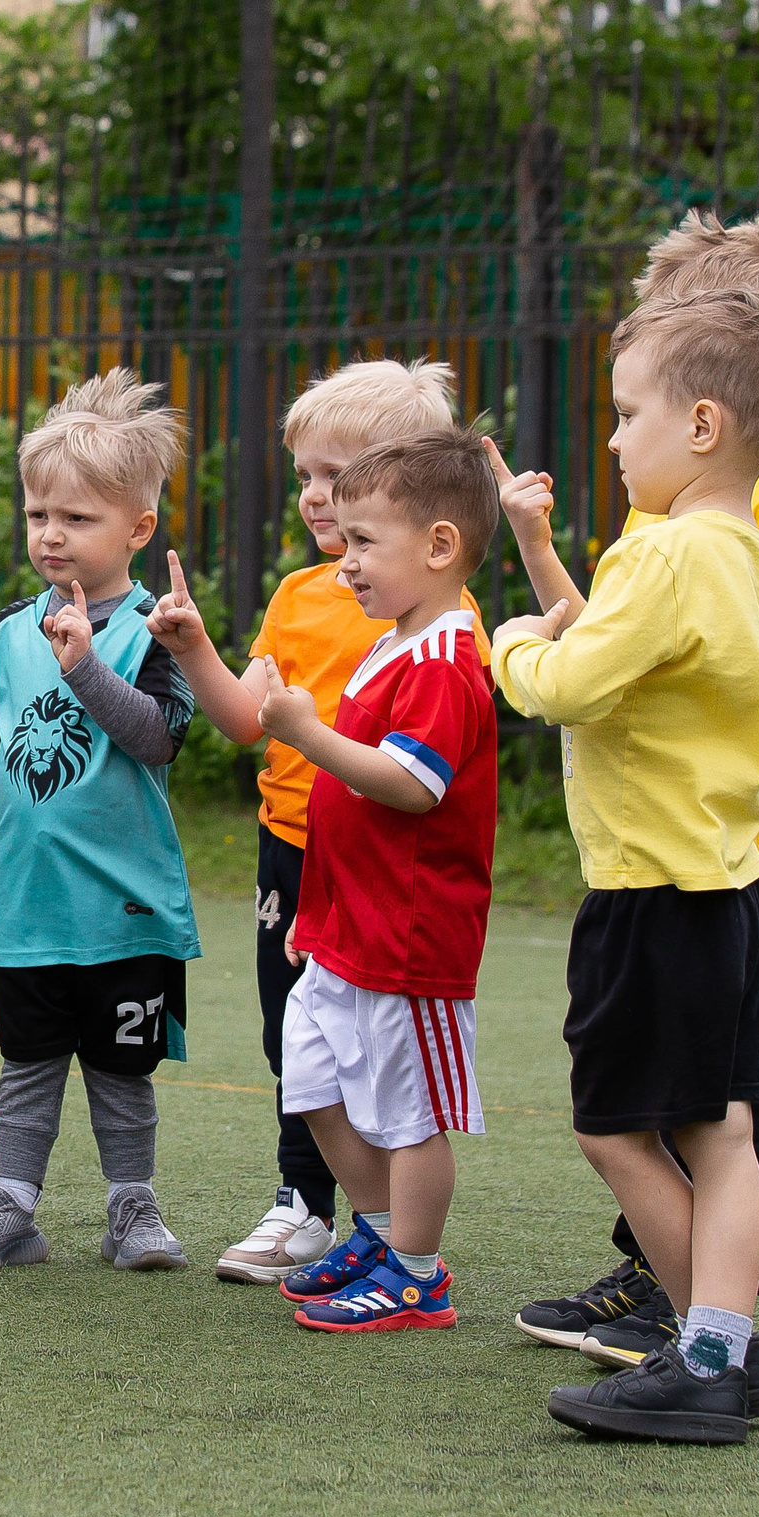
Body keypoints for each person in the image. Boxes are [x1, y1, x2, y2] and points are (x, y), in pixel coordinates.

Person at [493, 213, 759, 1372]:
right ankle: (718, 1347)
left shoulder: (662, 548)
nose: (610, 438)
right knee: (725, 1132)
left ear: (701, 423)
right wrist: (549, 565)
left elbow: (573, 684)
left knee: (616, 1130)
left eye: (627, 413)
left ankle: (702, 1348)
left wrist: (504, 643)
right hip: (731, 879)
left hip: (650, 892)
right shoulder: (743, 542)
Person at [146, 359, 487, 1283]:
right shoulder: (301, 594)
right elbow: (245, 716)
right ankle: (310, 1204)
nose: (314, 496)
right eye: (304, 475)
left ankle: (382, 1237)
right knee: (295, 1040)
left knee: (386, 1066)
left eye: (336, 476)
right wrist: (195, 648)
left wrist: (309, 728)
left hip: (383, 868)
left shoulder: (437, 618)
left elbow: (415, 771)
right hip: (295, 851)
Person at [0, 372, 200, 1274]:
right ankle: (11, 1207)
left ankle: (133, 1208)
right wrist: (26, 831)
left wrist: (86, 670)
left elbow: (159, 739)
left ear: (138, 529)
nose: (51, 533)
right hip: (29, 908)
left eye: (77, 518)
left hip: (125, 909)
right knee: (30, 1064)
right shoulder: (10, 630)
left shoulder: (161, 629)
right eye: (40, 513)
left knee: (122, 1071)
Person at [242, 430, 500, 1334]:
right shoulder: (398, 641)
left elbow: (412, 784)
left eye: (364, 542)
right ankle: (386, 1232)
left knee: (409, 1112)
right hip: (347, 923)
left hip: (409, 937)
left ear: (438, 546)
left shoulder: (441, 661)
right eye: (343, 540)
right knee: (309, 1080)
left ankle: (418, 1274)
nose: (344, 561)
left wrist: (306, 733)